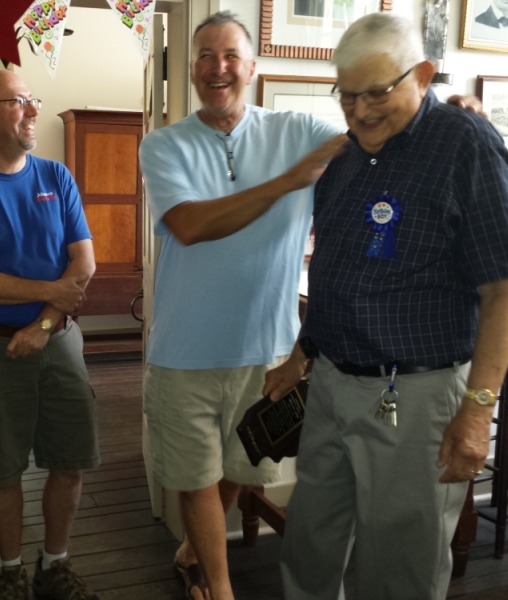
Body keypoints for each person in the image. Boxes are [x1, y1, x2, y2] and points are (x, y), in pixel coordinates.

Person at [263, 13, 508, 600]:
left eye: (377, 93)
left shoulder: (464, 143)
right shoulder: (346, 158)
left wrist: (478, 411)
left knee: (400, 564)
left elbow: (506, 287)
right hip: (332, 383)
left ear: (423, 75)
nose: (359, 111)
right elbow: (338, 271)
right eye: (347, 95)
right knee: (310, 543)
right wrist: (301, 354)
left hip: (417, 393)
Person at [138, 11, 347, 600]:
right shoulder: (164, 144)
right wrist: (287, 181)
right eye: (205, 55)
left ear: (252, 68)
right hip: (185, 350)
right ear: (192, 70)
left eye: (230, 55)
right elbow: (189, 225)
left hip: (268, 348)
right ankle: (221, 587)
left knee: (242, 464)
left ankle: (192, 553)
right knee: (195, 477)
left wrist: (443, 116)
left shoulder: (298, 129)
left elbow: (373, 138)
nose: (218, 67)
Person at [0, 70, 98, 600]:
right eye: (19, 101)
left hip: (59, 341)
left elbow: (84, 264)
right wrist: (51, 292)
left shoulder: (56, 175)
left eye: (34, 100)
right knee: (2, 469)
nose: (33, 110)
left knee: (70, 461)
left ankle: (55, 565)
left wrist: (43, 324)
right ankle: (11, 574)